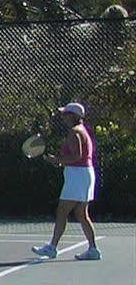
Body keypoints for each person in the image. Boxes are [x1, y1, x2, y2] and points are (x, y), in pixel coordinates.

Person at [33, 102, 100, 261]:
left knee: (62, 211)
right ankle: (93, 249)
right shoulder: (82, 131)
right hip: (84, 174)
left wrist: (58, 160)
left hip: (78, 175)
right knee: (81, 214)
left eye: (66, 114)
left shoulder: (74, 132)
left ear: (74, 116)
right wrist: (61, 161)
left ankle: (52, 247)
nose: (63, 117)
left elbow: (77, 156)